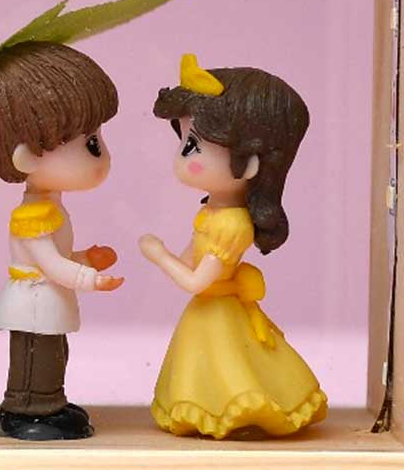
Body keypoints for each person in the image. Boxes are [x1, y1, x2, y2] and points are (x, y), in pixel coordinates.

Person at [138, 55, 327, 440]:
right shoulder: (211, 212)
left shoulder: (232, 225)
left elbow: (196, 281)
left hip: (216, 309)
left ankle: (237, 414)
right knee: (206, 372)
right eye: (184, 141)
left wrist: (158, 256)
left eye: (193, 145)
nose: (181, 155)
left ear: (250, 163)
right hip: (207, 311)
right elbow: (192, 259)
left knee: (229, 370)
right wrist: (169, 255)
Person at [0, 42, 123, 440]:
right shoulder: (33, 216)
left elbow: (58, 257)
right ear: (28, 157)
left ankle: (49, 402)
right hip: (35, 300)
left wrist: (86, 257)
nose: (102, 155)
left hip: (46, 298)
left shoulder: (49, 206)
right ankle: (27, 411)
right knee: (36, 357)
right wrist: (90, 279)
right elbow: (51, 264)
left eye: (97, 139)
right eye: (90, 143)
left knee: (52, 354)